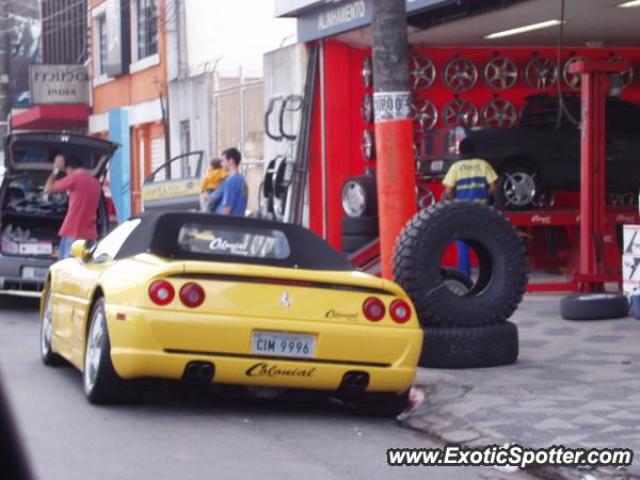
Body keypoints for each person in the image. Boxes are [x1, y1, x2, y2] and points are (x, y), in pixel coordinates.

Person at [441, 138, 498, 277]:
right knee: (485, 243)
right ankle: (488, 275)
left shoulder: (456, 167)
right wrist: (487, 197)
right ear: (474, 149)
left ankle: (464, 276)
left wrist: (451, 201)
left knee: (463, 243)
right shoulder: (483, 164)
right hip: (481, 210)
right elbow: (493, 187)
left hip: (462, 211)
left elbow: (448, 190)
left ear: (460, 150)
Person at [44, 153, 102, 260]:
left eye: (66, 172)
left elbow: (47, 189)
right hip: (90, 233)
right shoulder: (95, 182)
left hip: (73, 230)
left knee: (65, 268)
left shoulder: (73, 178)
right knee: (85, 267)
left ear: (69, 169)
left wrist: (56, 170)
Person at [209, 148, 248, 217]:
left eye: (223, 161)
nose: (221, 164)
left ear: (231, 161)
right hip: (241, 223)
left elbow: (227, 210)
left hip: (230, 225)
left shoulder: (230, 182)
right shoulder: (243, 181)